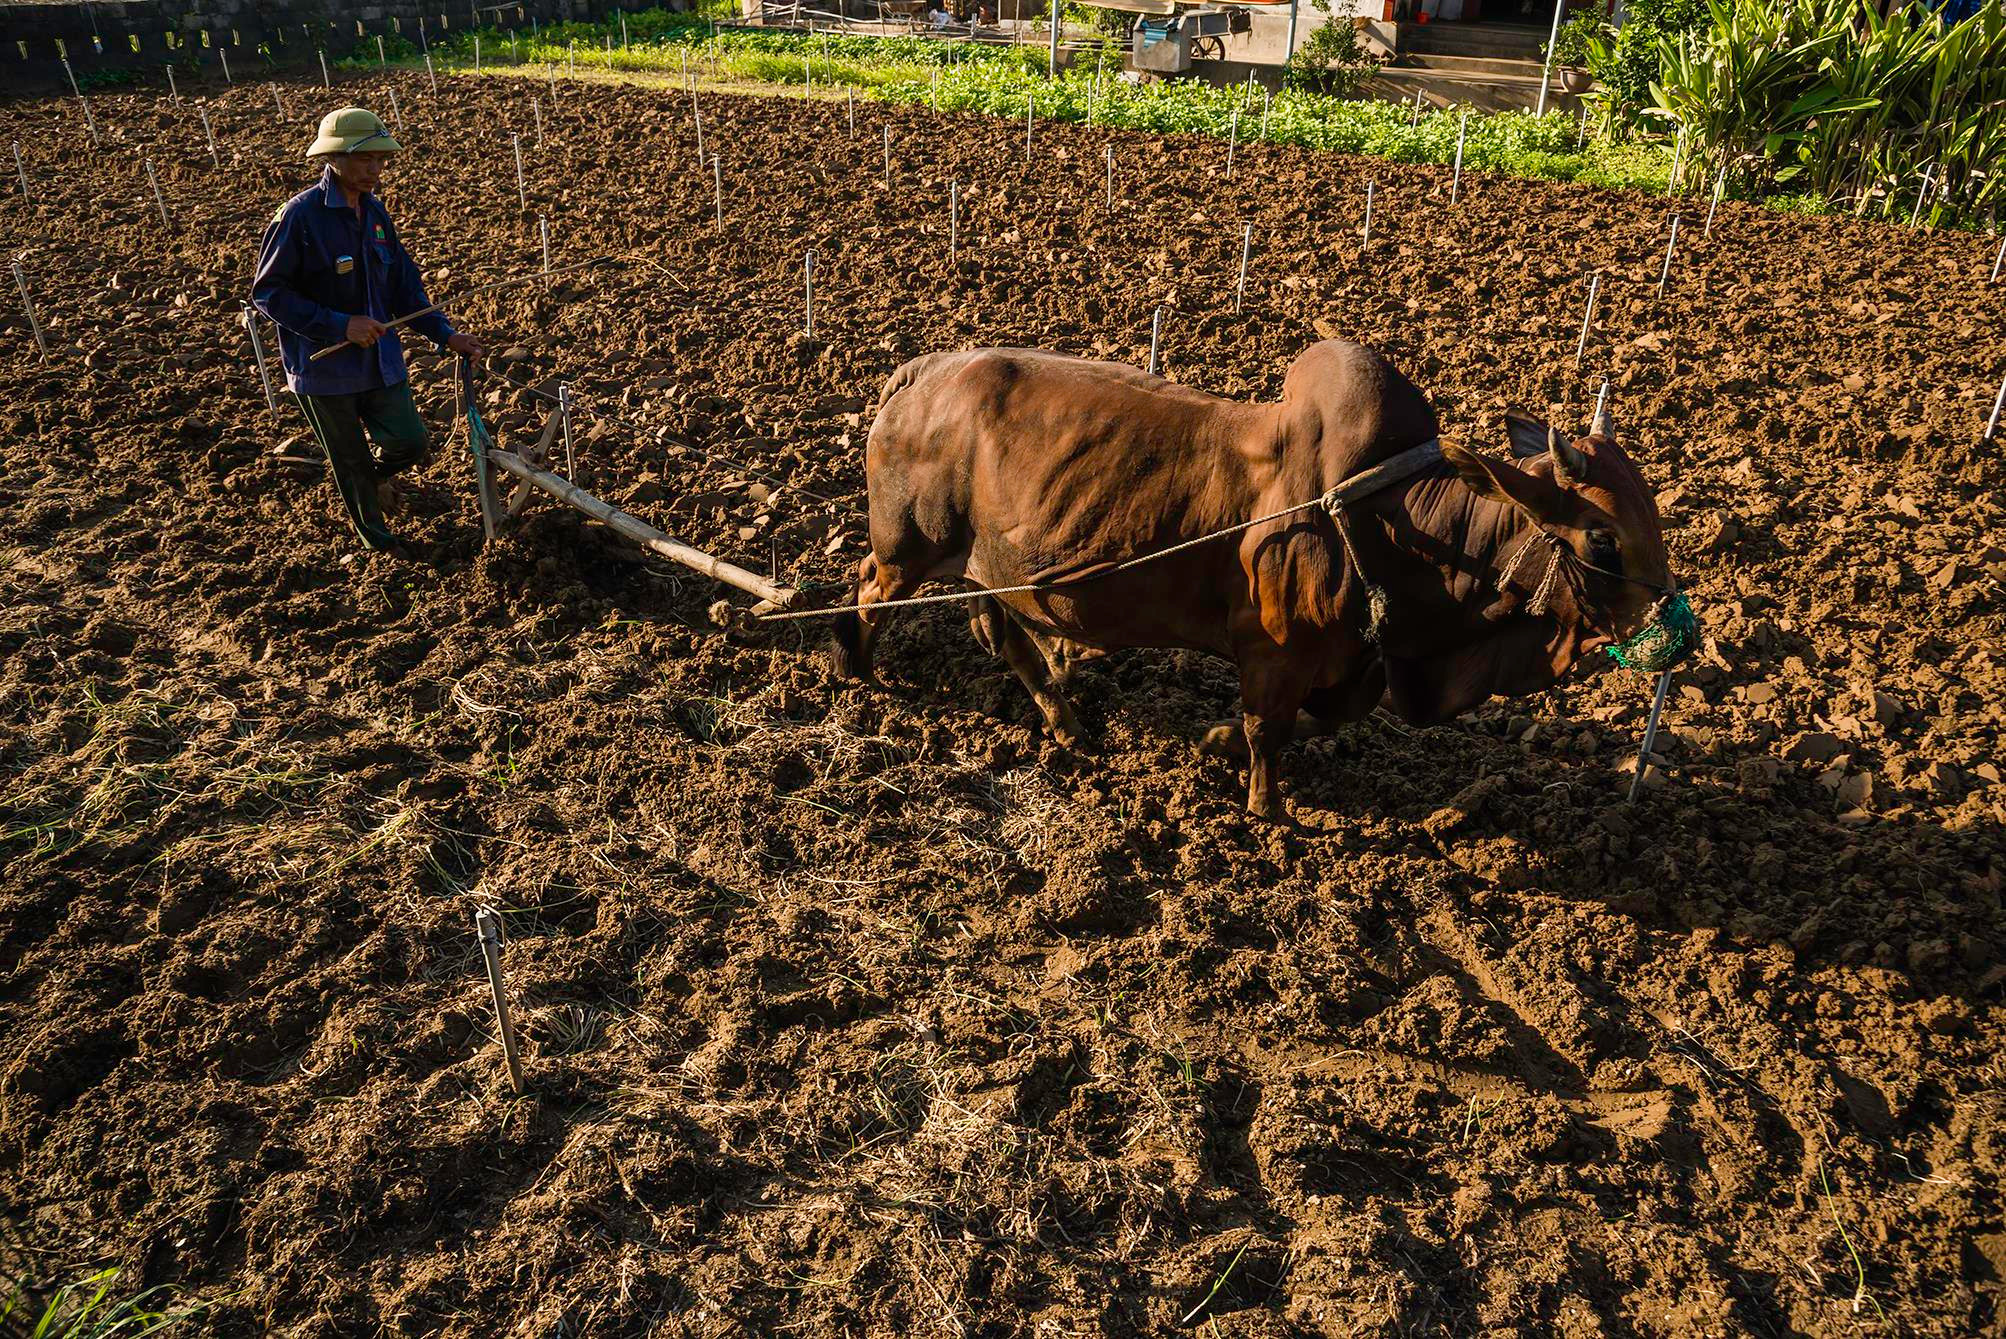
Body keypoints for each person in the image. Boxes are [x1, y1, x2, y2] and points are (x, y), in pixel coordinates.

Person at [252, 107, 485, 554]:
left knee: (411, 443)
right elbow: (269, 293)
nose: (375, 170)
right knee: (350, 460)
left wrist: (445, 334)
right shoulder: (299, 217)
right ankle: (381, 547)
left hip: (380, 363)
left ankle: (370, 480)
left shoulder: (376, 215)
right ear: (334, 158)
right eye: (365, 160)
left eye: (381, 160)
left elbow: (404, 288)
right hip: (325, 370)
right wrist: (340, 324)